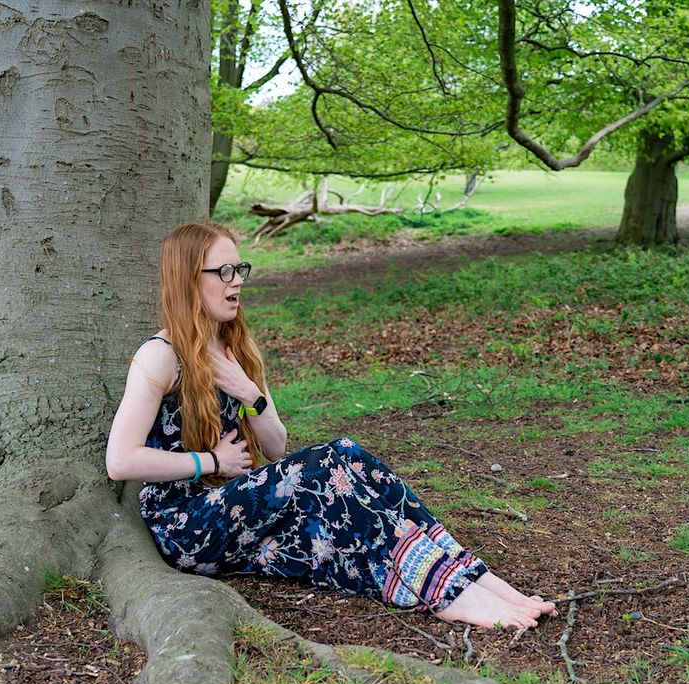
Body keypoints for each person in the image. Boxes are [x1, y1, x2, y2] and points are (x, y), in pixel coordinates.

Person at [105, 222, 556, 630]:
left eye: (239, 267)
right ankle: (446, 595)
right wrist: (211, 461)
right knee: (321, 467)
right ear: (189, 281)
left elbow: (277, 447)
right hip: (185, 525)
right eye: (222, 271)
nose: (238, 279)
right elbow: (120, 461)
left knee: (346, 453)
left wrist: (249, 393)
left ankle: (467, 575)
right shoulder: (160, 356)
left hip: (233, 506)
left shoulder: (232, 347)